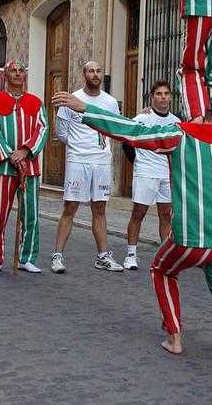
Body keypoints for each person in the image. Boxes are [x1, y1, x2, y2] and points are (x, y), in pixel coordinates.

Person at [52, 90, 212, 381]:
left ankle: (174, 336)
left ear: (193, 111)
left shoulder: (180, 134)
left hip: (190, 238)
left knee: (161, 269)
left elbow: (131, 130)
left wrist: (85, 108)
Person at [52, 61, 123, 273]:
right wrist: (78, 146)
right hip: (78, 160)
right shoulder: (72, 99)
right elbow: (61, 132)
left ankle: (103, 256)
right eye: (91, 71)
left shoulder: (110, 102)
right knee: (70, 207)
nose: (95, 74)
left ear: (102, 75)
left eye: (98, 71)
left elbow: (116, 127)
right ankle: (57, 256)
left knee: (99, 208)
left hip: (101, 161)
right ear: (84, 74)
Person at [0, 59, 48, 274]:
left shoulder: (36, 103)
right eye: (13, 71)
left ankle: (27, 257)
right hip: (2, 167)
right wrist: (10, 155)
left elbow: (42, 129)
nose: (18, 74)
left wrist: (25, 151)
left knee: (31, 214)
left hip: (29, 167)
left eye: (21, 71)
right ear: (5, 75)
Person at [120, 80, 179, 270]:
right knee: (139, 213)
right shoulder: (141, 119)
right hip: (145, 172)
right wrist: (138, 162)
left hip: (166, 174)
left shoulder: (176, 122)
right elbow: (126, 142)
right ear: (152, 97)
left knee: (166, 215)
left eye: (166, 94)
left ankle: (165, 256)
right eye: (159, 94)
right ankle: (131, 255)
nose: (163, 97)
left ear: (170, 97)